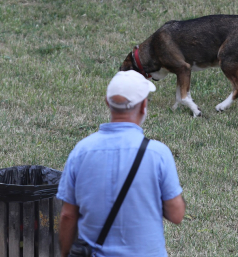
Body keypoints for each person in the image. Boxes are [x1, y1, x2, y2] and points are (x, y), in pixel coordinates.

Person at [57, 70, 186, 257]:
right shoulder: (158, 154)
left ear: (107, 103)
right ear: (143, 106)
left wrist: (64, 253)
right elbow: (176, 215)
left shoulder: (81, 151)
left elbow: (68, 215)